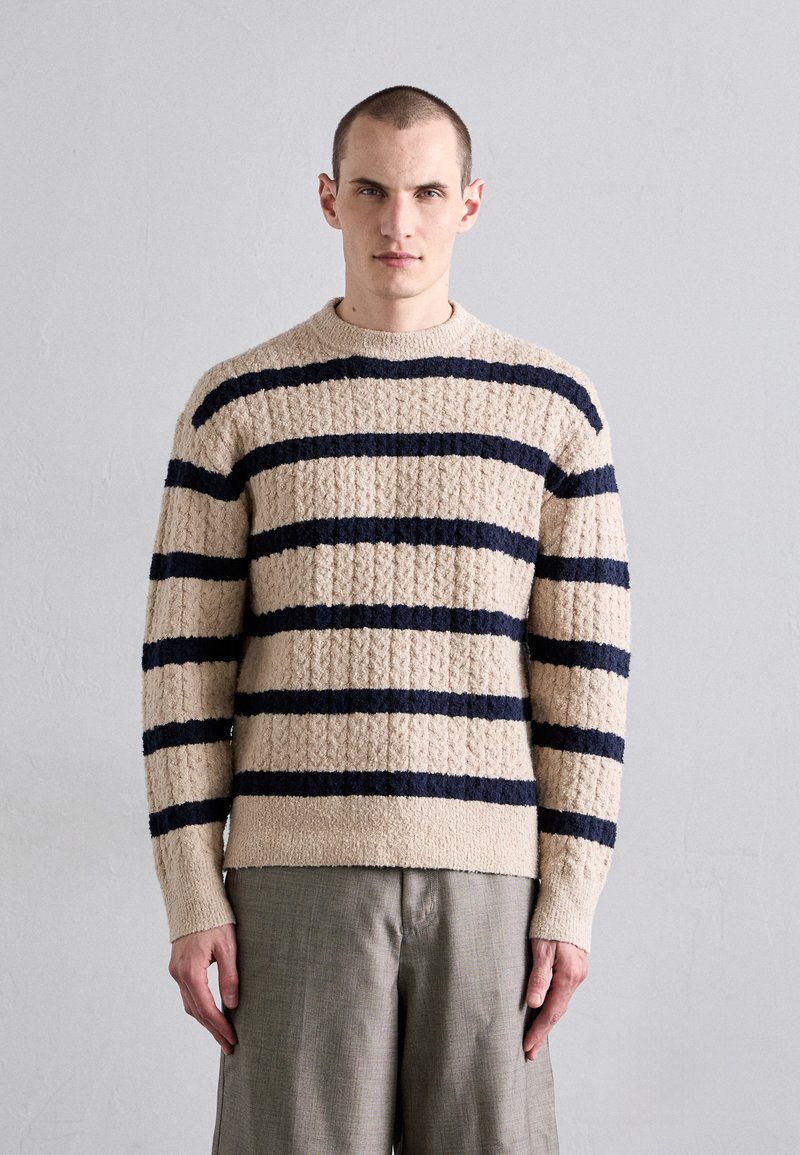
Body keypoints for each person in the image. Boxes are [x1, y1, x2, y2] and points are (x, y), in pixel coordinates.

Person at [141, 84, 632, 1154]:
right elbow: (183, 672)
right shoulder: (237, 406)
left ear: (470, 203)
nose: (396, 221)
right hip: (289, 874)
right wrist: (190, 893)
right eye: (369, 190)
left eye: (425, 193)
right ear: (328, 199)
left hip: (491, 881)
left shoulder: (552, 409)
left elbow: (585, 681)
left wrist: (570, 901)